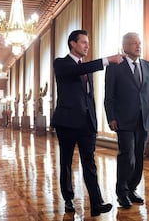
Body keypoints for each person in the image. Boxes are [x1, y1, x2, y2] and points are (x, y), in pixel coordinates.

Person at [51, 29, 124, 216]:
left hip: (87, 124)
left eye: (87, 42)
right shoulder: (61, 64)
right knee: (66, 162)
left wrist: (94, 120)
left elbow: (89, 97)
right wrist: (107, 60)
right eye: (83, 42)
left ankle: (96, 202)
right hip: (66, 123)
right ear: (72, 44)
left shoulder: (86, 68)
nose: (87, 46)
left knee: (89, 163)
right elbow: (77, 70)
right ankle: (68, 199)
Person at [104, 32, 149, 209]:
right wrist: (111, 117)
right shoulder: (115, 67)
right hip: (123, 120)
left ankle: (132, 188)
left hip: (143, 120)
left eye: (139, 43)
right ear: (124, 47)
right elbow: (109, 96)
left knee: (139, 155)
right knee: (127, 156)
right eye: (133, 43)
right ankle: (121, 193)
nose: (138, 46)